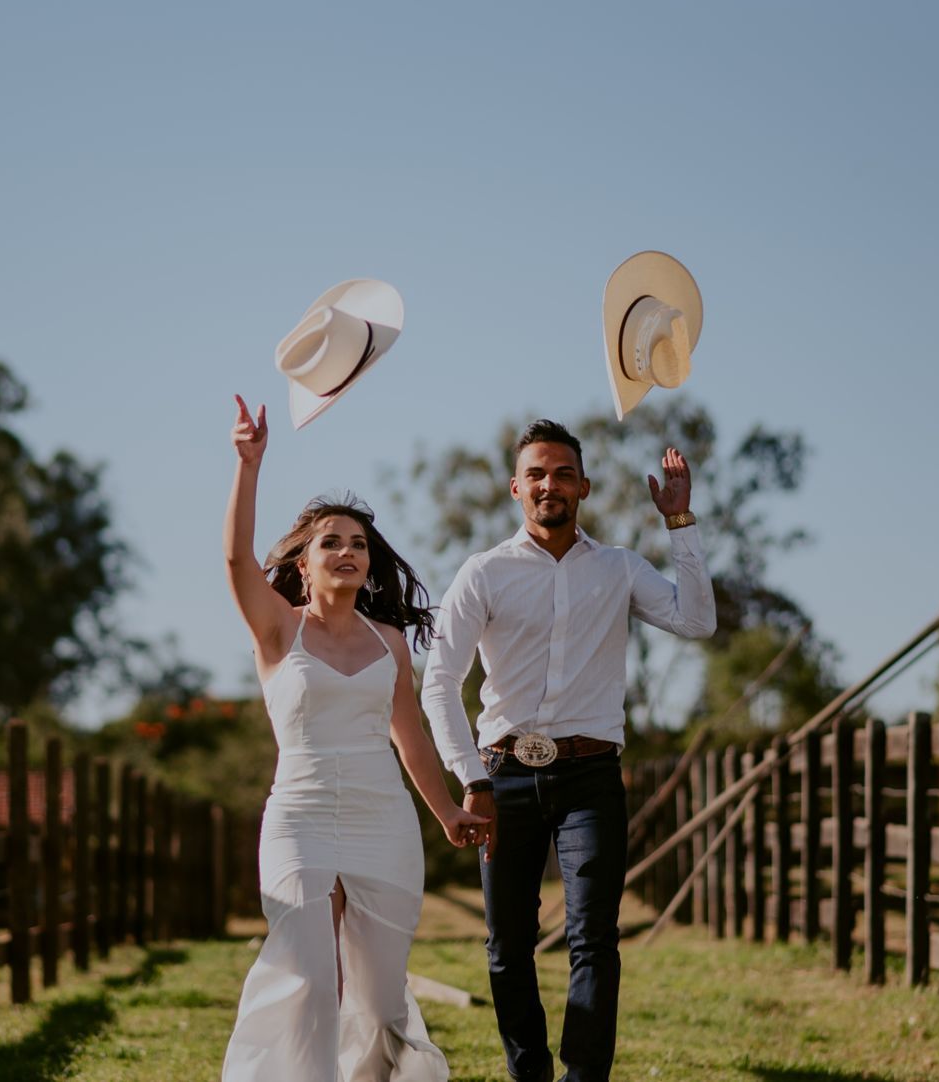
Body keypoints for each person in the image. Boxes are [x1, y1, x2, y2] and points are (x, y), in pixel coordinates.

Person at [420, 418, 717, 1082]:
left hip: (591, 779)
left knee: (594, 940)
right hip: (503, 777)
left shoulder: (618, 568)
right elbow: (438, 682)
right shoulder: (483, 573)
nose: (549, 484)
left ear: (582, 486)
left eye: (562, 473)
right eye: (536, 474)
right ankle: (529, 1075)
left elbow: (697, 622)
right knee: (507, 946)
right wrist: (471, 777)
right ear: (515, 488)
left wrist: (681, 523)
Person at [221, 394, 486, 1082]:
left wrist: (448, 809)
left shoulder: (390, 642)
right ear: (303, 565)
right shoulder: (280, 631)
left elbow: (412, 738)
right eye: (330, 542)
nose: (346, 551)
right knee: (309, 978)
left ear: (370, 564)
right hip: (300, 819)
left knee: (376, 998)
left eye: (358, 543)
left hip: (383, 821)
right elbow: (233, 562)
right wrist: (249, 465)